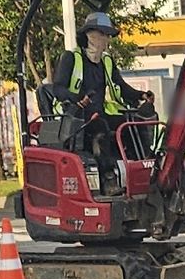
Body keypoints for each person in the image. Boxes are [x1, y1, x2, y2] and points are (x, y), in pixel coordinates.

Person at [54, 12, 148, 195]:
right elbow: (57, 88)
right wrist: (77, 97)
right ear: (90, 35)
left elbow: (121, 86)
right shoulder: (71, 58)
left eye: (108, 35)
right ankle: (108, 179)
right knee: (100, 127)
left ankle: (143, 170)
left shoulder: (107, 61)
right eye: (104, 34)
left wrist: (141, 95)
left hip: (100, 113)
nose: (107, 39)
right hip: (75, 118)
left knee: (134, 124)